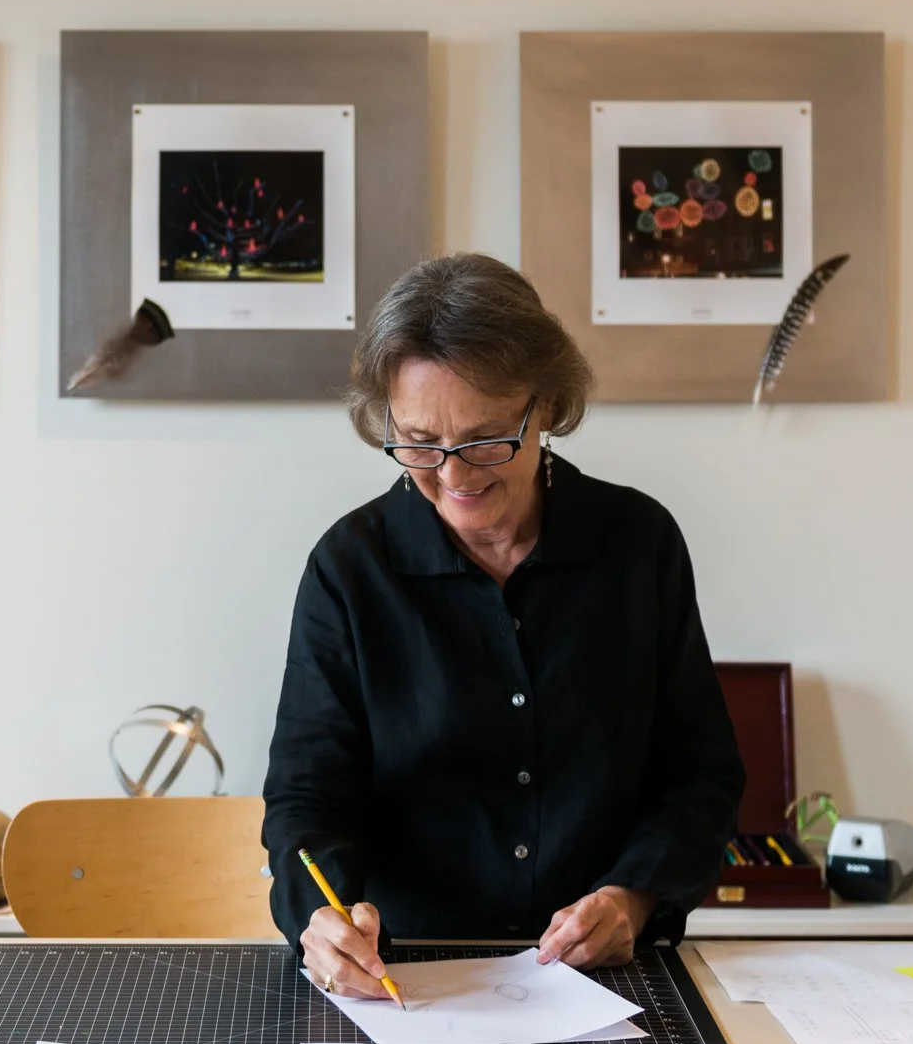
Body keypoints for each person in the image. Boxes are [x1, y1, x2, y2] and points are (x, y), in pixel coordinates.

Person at [263, 252, 745, 996]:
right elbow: (307, 796)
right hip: (406, 977)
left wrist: (634, 897)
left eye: (486, 438)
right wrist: (319, 923)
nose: (454, 476)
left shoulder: (637, 544)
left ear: (546, 407)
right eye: (419, 442)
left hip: (606, 972)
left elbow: (699, 774)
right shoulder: (350, 568)